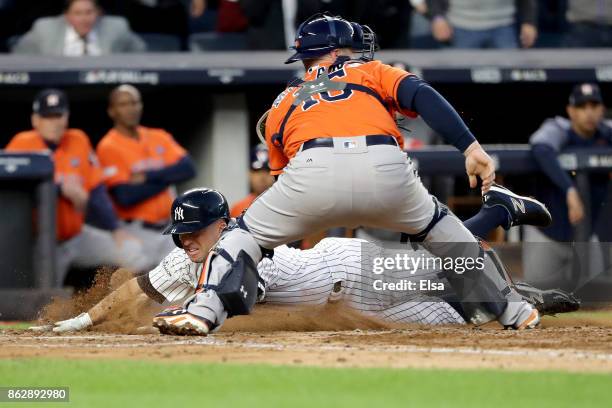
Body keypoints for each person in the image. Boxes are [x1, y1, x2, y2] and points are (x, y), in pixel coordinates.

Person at [151, 13, 543, 336]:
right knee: (448, 234)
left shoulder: (284, 101)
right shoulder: (370, 70)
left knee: (240, 237)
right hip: (386, 167)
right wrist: (471, 148)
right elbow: (422, 95)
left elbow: (280, 176)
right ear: (338, 51)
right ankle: (515, 310)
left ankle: (203, 312)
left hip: (312, 169)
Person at [32, 185, 578, 334]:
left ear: (220, 224)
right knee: (462, 320)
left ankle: (496, 213)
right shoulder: (188, 257)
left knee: (450, 268)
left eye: (195, 233)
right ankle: (524, 301)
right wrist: (81, 321)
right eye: (181, 237)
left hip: (348, 268)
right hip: (351, 304)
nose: (186, 243)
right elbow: (138, 290)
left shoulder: (243, 238)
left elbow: (236, 300)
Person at [4, 89, 147, 286]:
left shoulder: (78, 139)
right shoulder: (22, 143)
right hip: (42, 244)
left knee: (132, 251)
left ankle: (127, 306)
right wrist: (59, 188)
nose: (54, 122)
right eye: (48, 117)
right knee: (45, 299)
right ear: (35, 120)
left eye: (58, 115)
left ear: (66, 117)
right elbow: (12, 192)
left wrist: (115, 228)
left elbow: (96, 190)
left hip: (77, 237)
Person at [96, 84, 196, 270]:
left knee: (181, 282)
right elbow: (126, 196)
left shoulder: (158, 136)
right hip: (135, 231)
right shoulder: (108, 146)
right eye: (123, 104)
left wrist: (149, 176)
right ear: (112, 111)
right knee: (140, 291)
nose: (131, 109)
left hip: (168, 229)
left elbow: (189, 168)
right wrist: (168, 178)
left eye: (134, 103)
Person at [526, 83, 612, 288]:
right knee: (537, 295)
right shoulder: (558, 128)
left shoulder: (606, 133)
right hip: (548, 235)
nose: (589, 112)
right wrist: (570, 190)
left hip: (587, 237)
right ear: (570, 111)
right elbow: (540, 148)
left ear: (602, 109)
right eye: (582, 107)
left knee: (591, 300)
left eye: (594, 106)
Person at [12, 0, 146, 56]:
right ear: (67, 15)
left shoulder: (117, 27)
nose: (84, 19)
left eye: (89, 12)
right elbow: (19, 53)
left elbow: (141, 52)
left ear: (98, 13)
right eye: (78, 13)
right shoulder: (44, 29)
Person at [428, 0, 538, 49]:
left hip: (504, 25)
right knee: (461, 78)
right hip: (461, 25)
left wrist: (529, 21)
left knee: (511, 75)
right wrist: (437, 17)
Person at [230, 144, 275, 218]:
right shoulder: (238, 209)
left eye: (267, 170)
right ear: (249, 173)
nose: (262, 177)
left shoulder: (286, 207)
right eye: (257, 171)